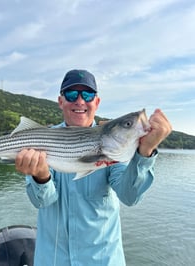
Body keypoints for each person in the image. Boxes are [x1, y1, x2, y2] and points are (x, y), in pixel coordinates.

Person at [15, 69, 172, 266]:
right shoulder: (43, 140)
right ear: (60, 101)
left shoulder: (115, 146)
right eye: (71, 94)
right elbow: (42, 202)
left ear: (96, 102)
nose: (80, 101)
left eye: (87, 94)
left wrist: (146, 152)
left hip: (102, 260)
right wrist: (41, 176)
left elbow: (129, 196)